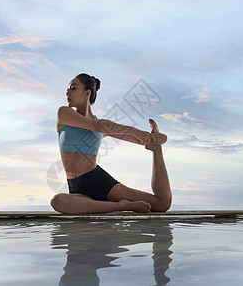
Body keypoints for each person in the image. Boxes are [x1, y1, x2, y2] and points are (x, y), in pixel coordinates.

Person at [50, 73, 171, 213]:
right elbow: (97, 126)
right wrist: (134, 130)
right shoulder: (64, 113)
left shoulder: (102, 126)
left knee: (162, 204)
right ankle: (122, 206)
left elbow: (144, 140)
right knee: (58, 201)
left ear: (87, 93)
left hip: (99, 181)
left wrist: (156, 140)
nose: (67, 92)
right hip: (76, 187)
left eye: (73, 88)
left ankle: (158, 153)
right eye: (68, 88)